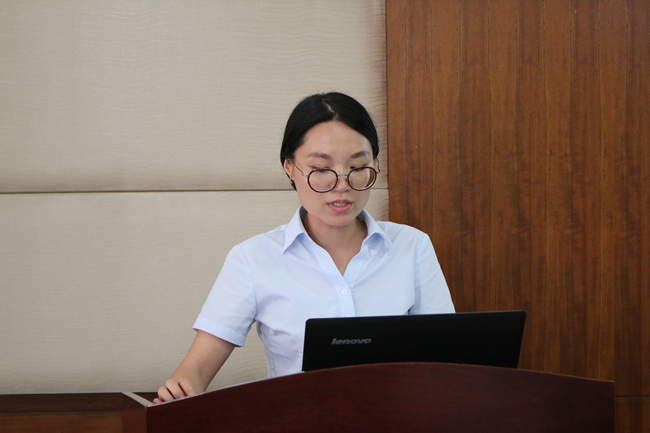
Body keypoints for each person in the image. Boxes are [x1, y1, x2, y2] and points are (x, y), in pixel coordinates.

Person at [154, 92, 455, 404]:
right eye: (321, 169)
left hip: (398, 419)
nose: (342, 185)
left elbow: (449, 360)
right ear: (289, 167)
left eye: (358, 167)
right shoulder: (253, 259)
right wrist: (182, 389)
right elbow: (195, 369)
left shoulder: (412, 247)